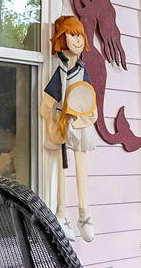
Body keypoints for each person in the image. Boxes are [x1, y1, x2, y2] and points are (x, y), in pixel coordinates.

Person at [40, 15, 98, 243]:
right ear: (61, 39)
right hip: (63, 123)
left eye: (80, 35)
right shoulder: (61, 72)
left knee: (82, 166)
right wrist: (54, 120)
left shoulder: (83, 72)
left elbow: (90, 99)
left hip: (80, 123)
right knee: (61, 169)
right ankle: (61, 214)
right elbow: (46, 101)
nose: (77, 40)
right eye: (72, 35)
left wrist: (84, 115)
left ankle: (85, 214)